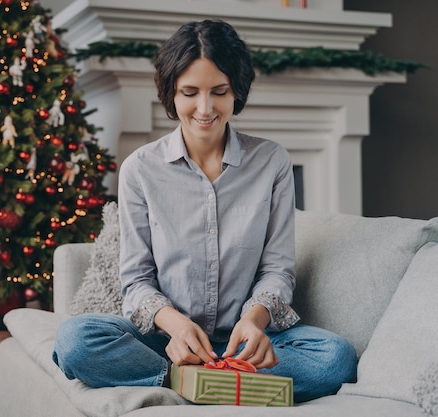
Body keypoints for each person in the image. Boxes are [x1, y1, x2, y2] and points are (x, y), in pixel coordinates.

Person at [52, 19, 357, 403]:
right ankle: (200, 380)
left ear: (237, 91)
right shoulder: (140, 169)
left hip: (242, 340)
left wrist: (254, 320)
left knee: (335, 358)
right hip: (164, 340)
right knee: (75, 340)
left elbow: (277, 270)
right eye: (189, 92)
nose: (205, 108)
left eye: (219, 91)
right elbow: (136, 282)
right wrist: (176, 325)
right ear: (171, 94)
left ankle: (203, 381)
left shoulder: (272, 162)